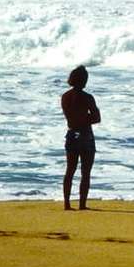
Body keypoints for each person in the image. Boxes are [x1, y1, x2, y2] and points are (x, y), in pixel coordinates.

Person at [61, 65, 101, 210]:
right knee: (85, 172)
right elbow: (97, 118)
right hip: (85, 136)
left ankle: (66, 203)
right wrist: (85, 118)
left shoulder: (65, 97)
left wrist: (78, 119)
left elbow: (70, 118)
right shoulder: (88, 98)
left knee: (69, 170)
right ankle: (82, 204)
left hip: (71, 134)